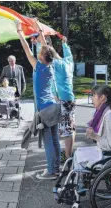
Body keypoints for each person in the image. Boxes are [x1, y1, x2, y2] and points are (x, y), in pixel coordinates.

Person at [16, 21, 61, 180]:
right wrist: (38, 29)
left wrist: (19, 31)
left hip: (44, 109)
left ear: (41, 57)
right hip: (54, 106)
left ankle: (50, 171)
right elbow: (46, 48)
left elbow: (26, 50)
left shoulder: (39, 67)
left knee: (48, 140)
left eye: (40, 53)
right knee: (55, 139)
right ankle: (57, 168)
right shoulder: (51, 65)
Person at [34, 20, 76, 163]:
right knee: (70, 128)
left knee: (65, 130)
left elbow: (46, 55)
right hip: (70, 98)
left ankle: (68, 157)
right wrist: (64, 44)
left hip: (63, 100)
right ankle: (68, 154)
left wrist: (40, 35)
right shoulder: (67, 62)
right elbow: (65, 53)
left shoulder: (57, 64)